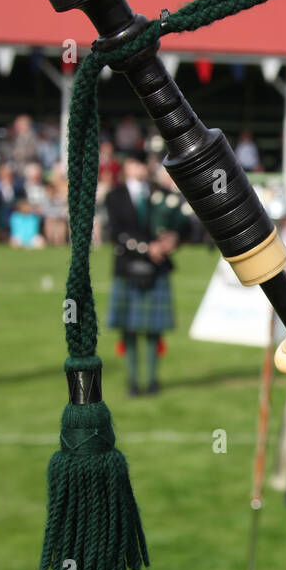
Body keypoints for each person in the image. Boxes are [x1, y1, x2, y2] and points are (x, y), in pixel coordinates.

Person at [105, 152, 188, 395]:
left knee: (154, 331)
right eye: (134, 162)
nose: (139, 167)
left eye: (142, 163)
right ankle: (132, 382)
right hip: (127, 267)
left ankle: (152, 381)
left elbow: (178, 224)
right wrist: (147, 248)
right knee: (128, 330)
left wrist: (171, 240)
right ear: (126, 166)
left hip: (157, 267)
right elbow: (116, 232)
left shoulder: (159, 193)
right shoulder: (115, 195)